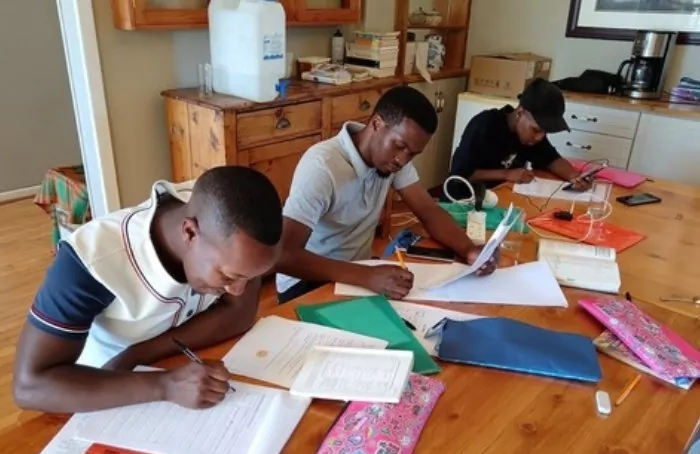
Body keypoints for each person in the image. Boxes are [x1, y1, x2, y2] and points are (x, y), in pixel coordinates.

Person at [13, 166, 283, 414]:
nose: (238, 290)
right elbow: (29, 386)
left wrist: (139, 354)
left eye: (249, 278)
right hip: (101, 391)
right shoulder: (91, 261)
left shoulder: (232, 224)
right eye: (228, 276)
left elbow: (240, 314)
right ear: (189, 233)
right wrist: (165, 385)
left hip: (167, 370)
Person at [276, 85, 498, 304]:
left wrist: (469, 249)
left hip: (356, 272)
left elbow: (428, 210)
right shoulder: (322, 167)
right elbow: (284, 255)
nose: (402, 160)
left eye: (413, 154)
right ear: (377, 124)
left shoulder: (392, 160)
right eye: (399, 146)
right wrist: (367, 276)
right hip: (308, 280)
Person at [447, 78, 590, 200]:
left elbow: (552, 160)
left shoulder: (531, 138)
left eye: (544, 132)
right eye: (536, 130)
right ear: (520, 113)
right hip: (464, 201)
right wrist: (507, 174)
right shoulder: (485, 125)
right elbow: (461, 173)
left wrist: (575, 177)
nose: (540, 137)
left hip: (500, 197)